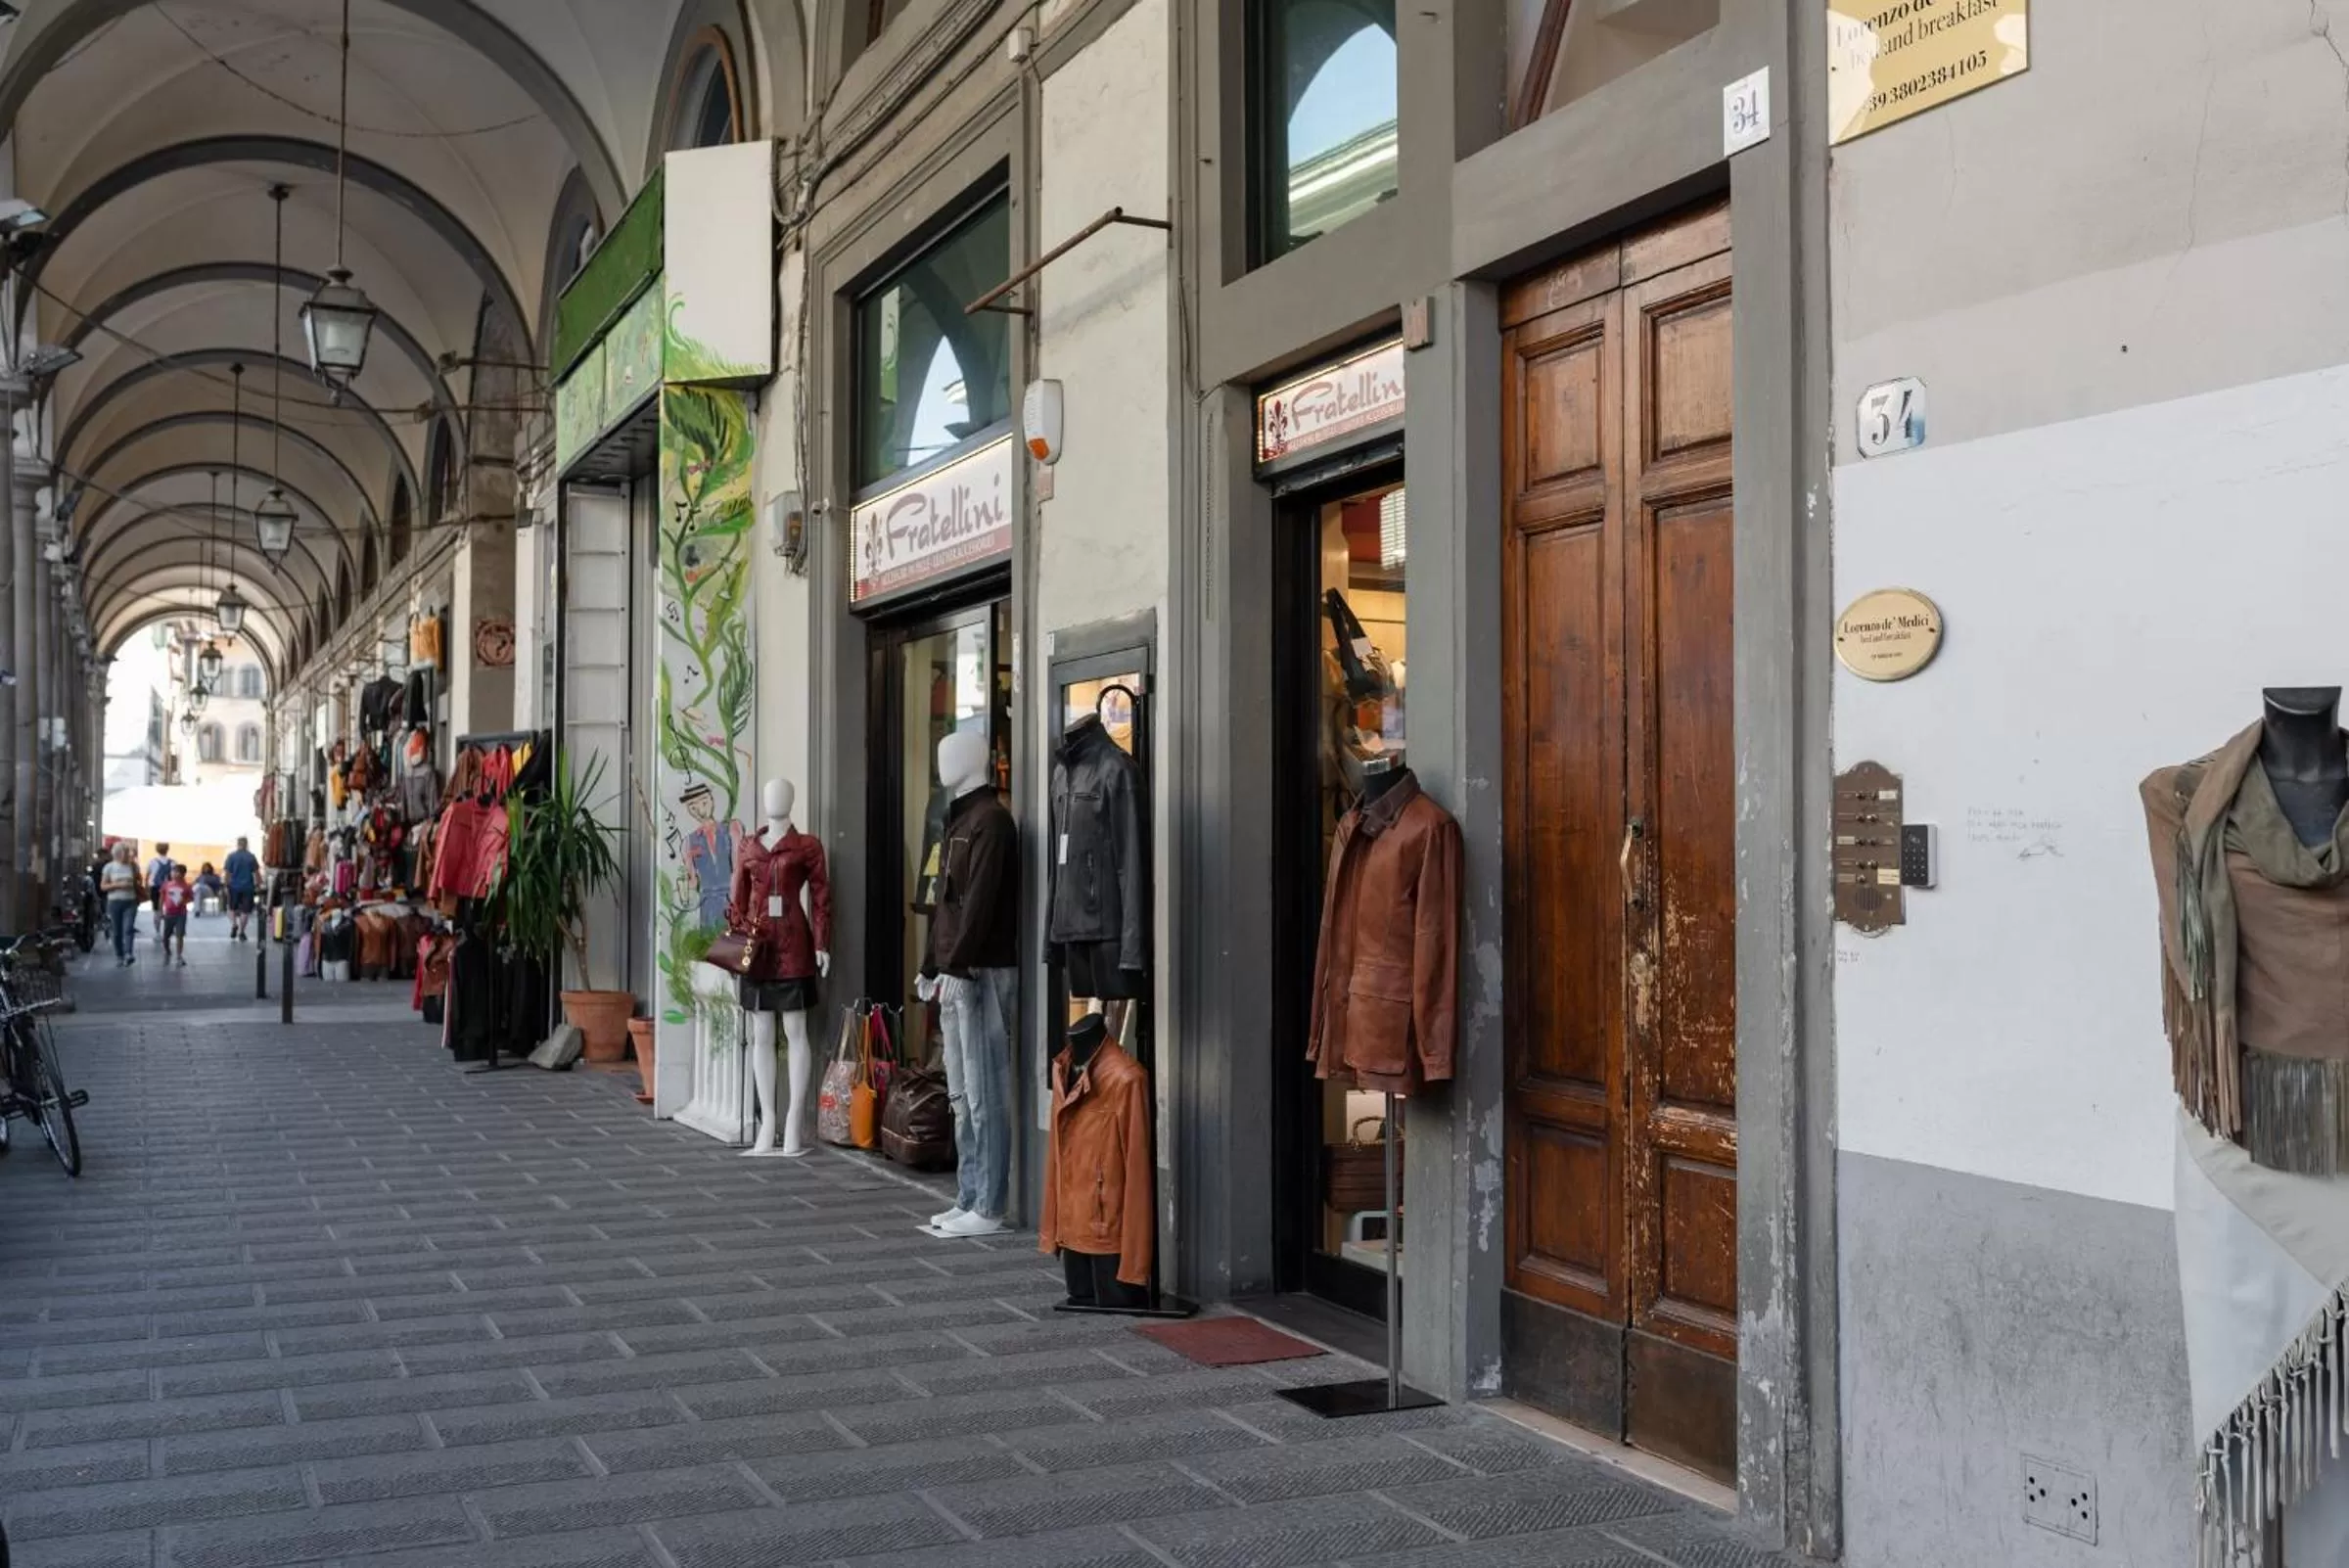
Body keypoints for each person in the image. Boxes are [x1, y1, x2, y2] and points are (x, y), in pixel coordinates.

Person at [99, 845, 142, 966]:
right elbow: (103, 886)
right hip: (114, 902)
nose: (128, 855)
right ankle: (119, 955)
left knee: (128, 928)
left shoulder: (132, 866)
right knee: (117, 930)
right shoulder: (109, 867)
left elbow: (138, 880)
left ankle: (128, 953)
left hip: (130, 901)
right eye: (125, 852)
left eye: (127, 852)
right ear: (118, 854)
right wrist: (118, 885)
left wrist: (135, 884)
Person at [223, 836, 260, 942]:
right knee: (245, 910)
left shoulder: (231, 856)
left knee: (231, 908)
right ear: (246, 844)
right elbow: (256, 873)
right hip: (248, 887)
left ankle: (234, 924)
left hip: (234, 887)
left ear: (238, 844)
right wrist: (258, 885)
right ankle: (241, 932)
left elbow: (227, 873)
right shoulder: (251, 857)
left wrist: (226, 885)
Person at [157, 865, 192, 967]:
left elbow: (190, 897)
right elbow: (161, 897)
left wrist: (184, 901)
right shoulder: (167, 885)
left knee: (180, 935)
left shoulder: (186, 886)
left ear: (183, 874)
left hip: (181, 914)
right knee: (166, 936)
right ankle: (167, 949)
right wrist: (160, 911)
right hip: (169, 913)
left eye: (178, 872)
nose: (175, 874)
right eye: (173, 872)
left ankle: (179, 956)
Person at [145, 842, 172, 942]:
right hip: (169, 888)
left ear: (156, 850)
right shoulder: (173, 862)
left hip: (155, 888)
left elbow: (148, 876)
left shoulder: (152, 862)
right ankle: (169, 930)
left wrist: (146, 887)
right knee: (170, 909)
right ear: (167, 849)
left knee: (156, 910)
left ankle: (157, 933)